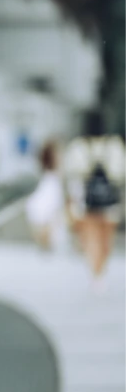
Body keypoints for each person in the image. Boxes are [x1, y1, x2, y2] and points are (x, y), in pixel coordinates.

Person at [64, 112, 126, 292]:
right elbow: (120, 174)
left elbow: (72, 176)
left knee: (92, 238)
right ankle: (99, 272)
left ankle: (96, 272)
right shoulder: (114, 145)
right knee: (106, 240)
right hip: (110, 202)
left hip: (86, 202)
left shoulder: (78, 146)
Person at [24, 140, 68, 252]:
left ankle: (46, 242)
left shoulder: (48, 177)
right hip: (47, 195)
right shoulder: (51, 178)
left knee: (47, 220)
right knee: (46, 219)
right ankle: (45, 242)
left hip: (46, 197)